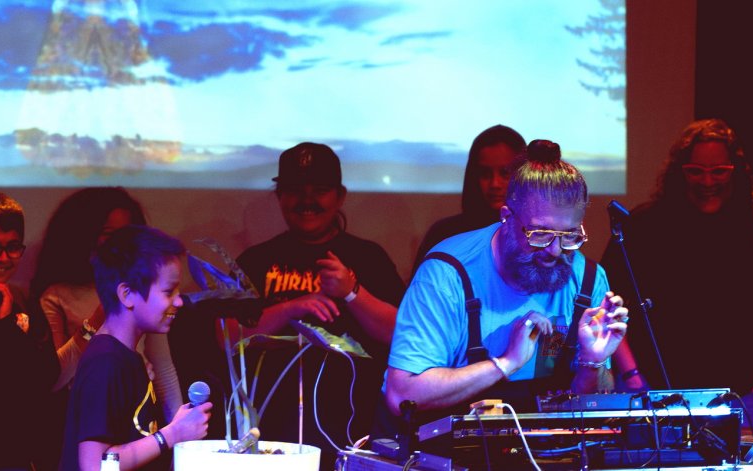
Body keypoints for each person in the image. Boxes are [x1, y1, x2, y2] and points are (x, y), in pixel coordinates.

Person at [385, 139, 637, 428]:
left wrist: (592, 362)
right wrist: (505, 363)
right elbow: (401, 395)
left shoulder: (587, 279)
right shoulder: (447, 275)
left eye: (569, 236)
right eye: (540, 234)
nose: (555, 251)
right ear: (506, 217)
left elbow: (593, 405)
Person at [600, 118, 753, 426]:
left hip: (740, 398)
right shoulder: (643, 227)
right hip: (654, 397)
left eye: (718, 171)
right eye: (696, 171)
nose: (708, 182)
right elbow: (608, 303)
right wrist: (633, 377)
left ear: (736, 170)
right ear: (681, 172)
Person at [231, 142, 404, 469]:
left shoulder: (368, 257)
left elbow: (401, 334)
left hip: (352, 433)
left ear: (339, 196)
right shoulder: (255, 261)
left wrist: (352, 292)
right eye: (295, 191)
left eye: (320, 191)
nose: (307, 201)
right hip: (266, 436)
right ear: (279, 196)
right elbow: (226, 337)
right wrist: (291, 308)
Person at [59, 225, 211, 471]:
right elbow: (96, 466)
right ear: (127, 294)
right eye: (168, 291)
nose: (180, 301)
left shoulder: (126, 357)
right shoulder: (105, 362)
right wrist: (171, 435)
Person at [30, 187, 181, 405]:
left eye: (128, 233)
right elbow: (53, 378)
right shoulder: (56, 296)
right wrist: (94, 324)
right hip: (88, 405)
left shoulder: (141, 290)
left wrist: (179, 432)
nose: (122, 244)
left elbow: (163, 367)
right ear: (87, 238)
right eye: (110, 234)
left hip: (137, 405)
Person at [0, 191, 59, 470]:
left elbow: (48, 371)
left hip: (18, 449)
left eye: (13, 247)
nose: (3, 257)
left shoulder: (23, 299)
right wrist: (2, 324)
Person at [412, 124, 526, 273]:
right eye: (485, 174)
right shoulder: (445, 234)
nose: (495, 184)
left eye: (505, 173)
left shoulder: (540, 236)